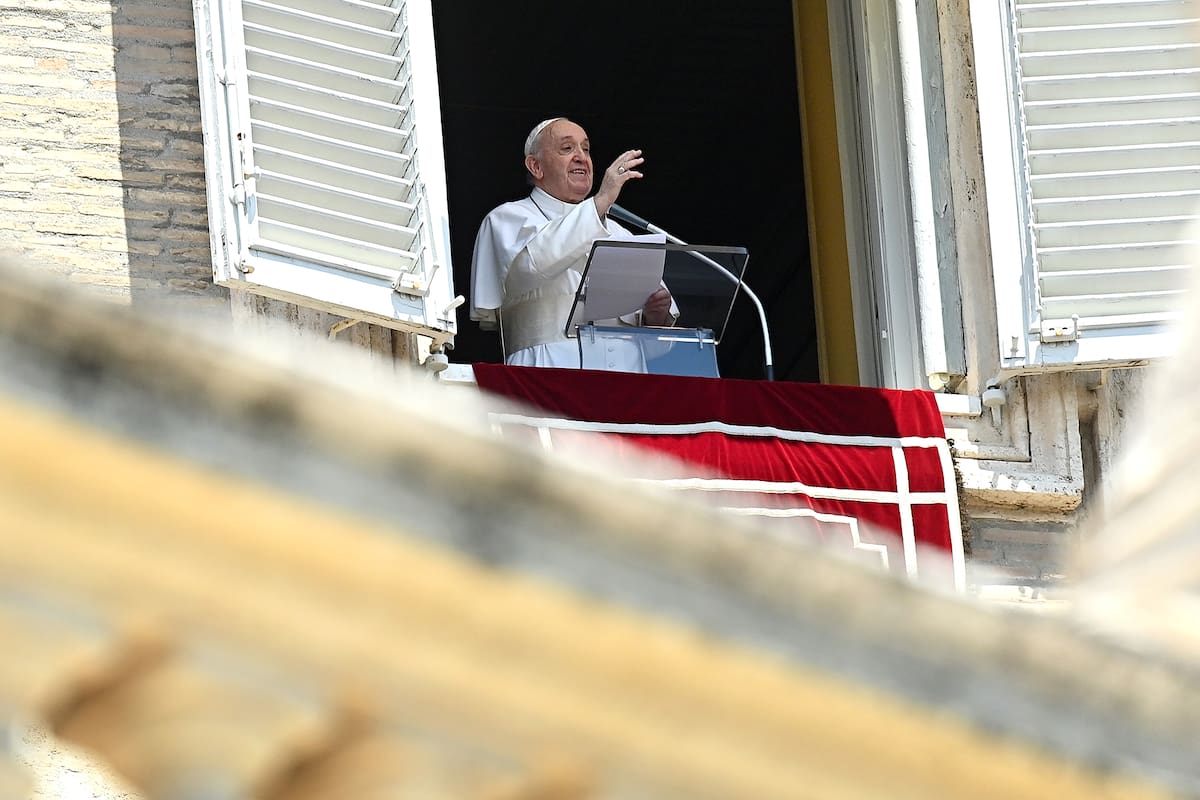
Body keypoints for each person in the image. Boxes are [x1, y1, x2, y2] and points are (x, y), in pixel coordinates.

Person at [470, 117, 677, 369]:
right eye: (567, 148)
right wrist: (600, 201)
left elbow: (658, 345)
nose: (581, 157)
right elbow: (532, 265)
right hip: (547, 369)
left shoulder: (620, 232)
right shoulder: (508, 218)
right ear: (536, 166)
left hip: (626, 375)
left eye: (586, 149)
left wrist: (655, 316)